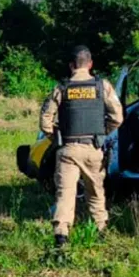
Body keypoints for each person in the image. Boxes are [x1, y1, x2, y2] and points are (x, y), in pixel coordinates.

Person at [39, 45, 124, 253]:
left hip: (68, 150)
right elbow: (118, 117)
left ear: (71, 66)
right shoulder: (102, 86)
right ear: (91, 64)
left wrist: (55, 136)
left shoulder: (61, 88)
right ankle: (101, 230)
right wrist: (103, 131)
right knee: (95, 193)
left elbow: (45, 120)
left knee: (65, 194)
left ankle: (61, 236)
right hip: (93, 148)